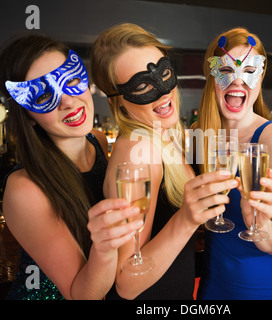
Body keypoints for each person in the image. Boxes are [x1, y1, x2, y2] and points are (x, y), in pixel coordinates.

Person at [90, 23, 237, 300]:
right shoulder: (139, 151)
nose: (162, 91)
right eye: (142, 85)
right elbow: (125, 280)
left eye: (163, 73)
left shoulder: (166, 135)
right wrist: (186, 218)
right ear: (118, 101)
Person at [0, 34, 144, 300]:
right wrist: (104, 248)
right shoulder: (25, 189)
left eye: (71, 80)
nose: (67, 100)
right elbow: (82, 295)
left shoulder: (98, 141)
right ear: (28, 117)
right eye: (43, 95)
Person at [193, 27, 272, 300]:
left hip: (271, 286)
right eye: (226, 70)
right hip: (216, 283)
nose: (238, 82)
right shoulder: (199, 134)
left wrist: (261, 224)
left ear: (260, 76)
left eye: (249, 71)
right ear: (212, 74)